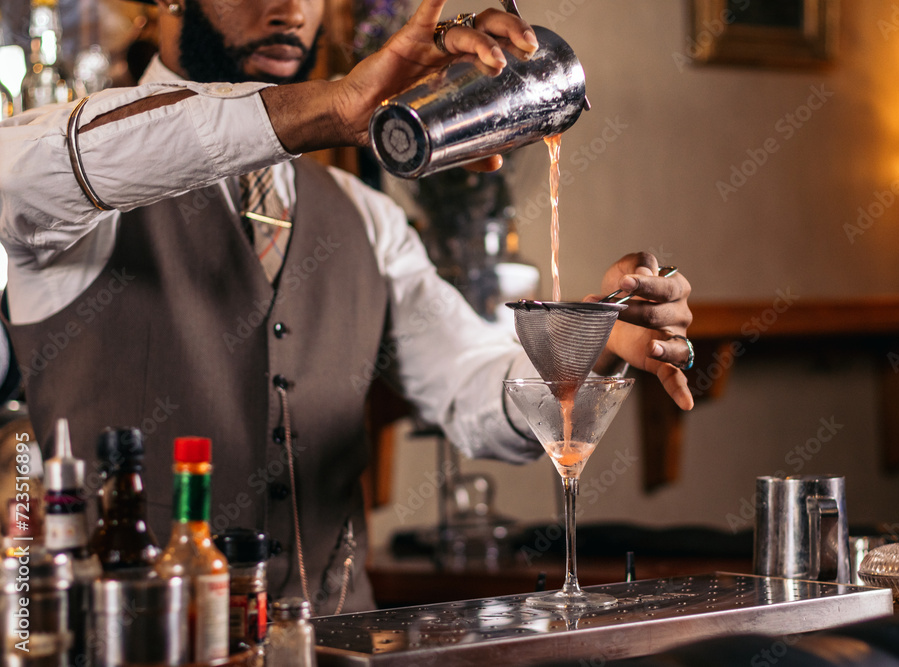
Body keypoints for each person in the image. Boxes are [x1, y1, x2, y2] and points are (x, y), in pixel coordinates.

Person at [0, 0, 693, 613]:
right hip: (126, 642)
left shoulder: (366, 219)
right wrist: (330, 106)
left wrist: (590, 338)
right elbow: (39, 167)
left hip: (331, 638)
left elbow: (474, 385)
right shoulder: (72, 189)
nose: (292, 11)